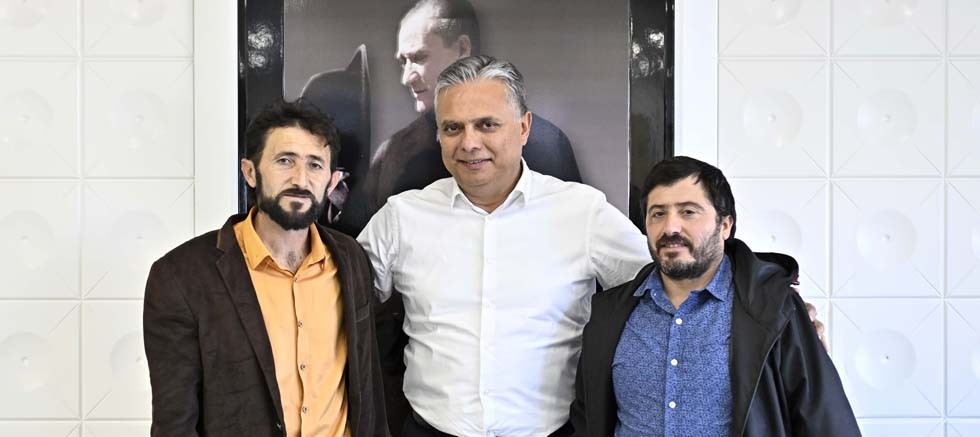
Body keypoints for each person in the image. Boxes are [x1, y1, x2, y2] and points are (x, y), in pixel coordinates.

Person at [358, 55, 651, 436]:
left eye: (487, 125)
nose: (469, 143)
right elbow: (338, 298)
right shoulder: (402, 216)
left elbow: (661, 291)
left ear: (524, 127)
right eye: (452, 128)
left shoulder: (582, 212)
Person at [143, 100, 388, 437]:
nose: (300, 179)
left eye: (315, 165)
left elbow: (367, 388)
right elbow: (175, 425)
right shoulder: (180, 277)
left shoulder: (351, 258)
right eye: (285, 160)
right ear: (250, 172)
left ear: (331, 182)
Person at [569, 156, 859, 436]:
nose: (670, 227)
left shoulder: (774, 309)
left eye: (688, 212)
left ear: (725, 226)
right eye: (658, 214)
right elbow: (586, 421)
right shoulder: (608, 316)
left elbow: (826, 423)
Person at [339, 0, 581, 234]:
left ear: (463, 49)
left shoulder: (546, 145)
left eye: (419, 58)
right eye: (404, 62)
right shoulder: (392, 153)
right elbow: (354, 247)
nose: (406, 78)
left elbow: (572, 234)